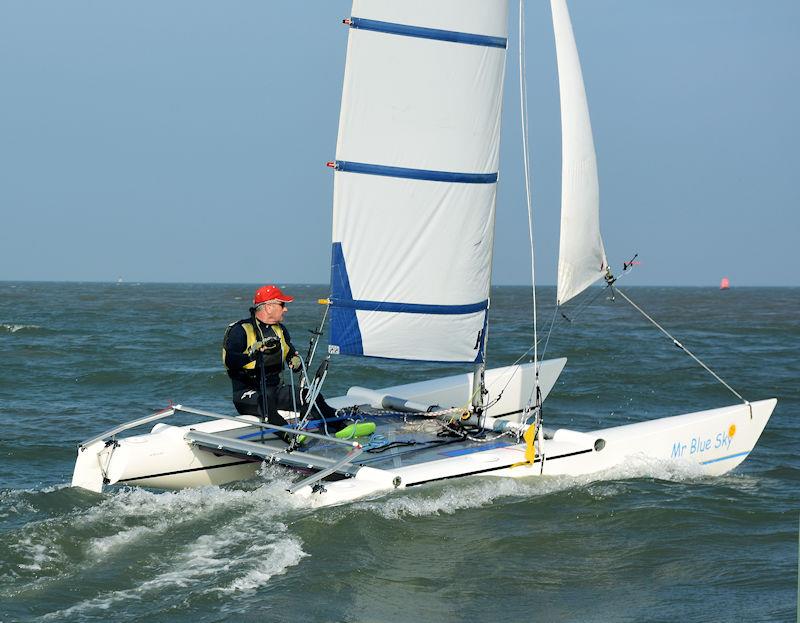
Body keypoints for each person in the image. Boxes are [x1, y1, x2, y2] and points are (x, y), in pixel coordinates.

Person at [222, 284, 340, 443]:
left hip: (275, 390)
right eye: (282, 305)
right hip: (247, 394)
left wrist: (295, 361)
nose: (286, 309)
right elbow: (231, 361)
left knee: (311, 396)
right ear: (269, 307)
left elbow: (290, 354)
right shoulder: (241, 330)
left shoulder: (281, 330)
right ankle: (292, 438)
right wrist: (252, 354)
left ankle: (341, 425)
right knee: (266, 402)